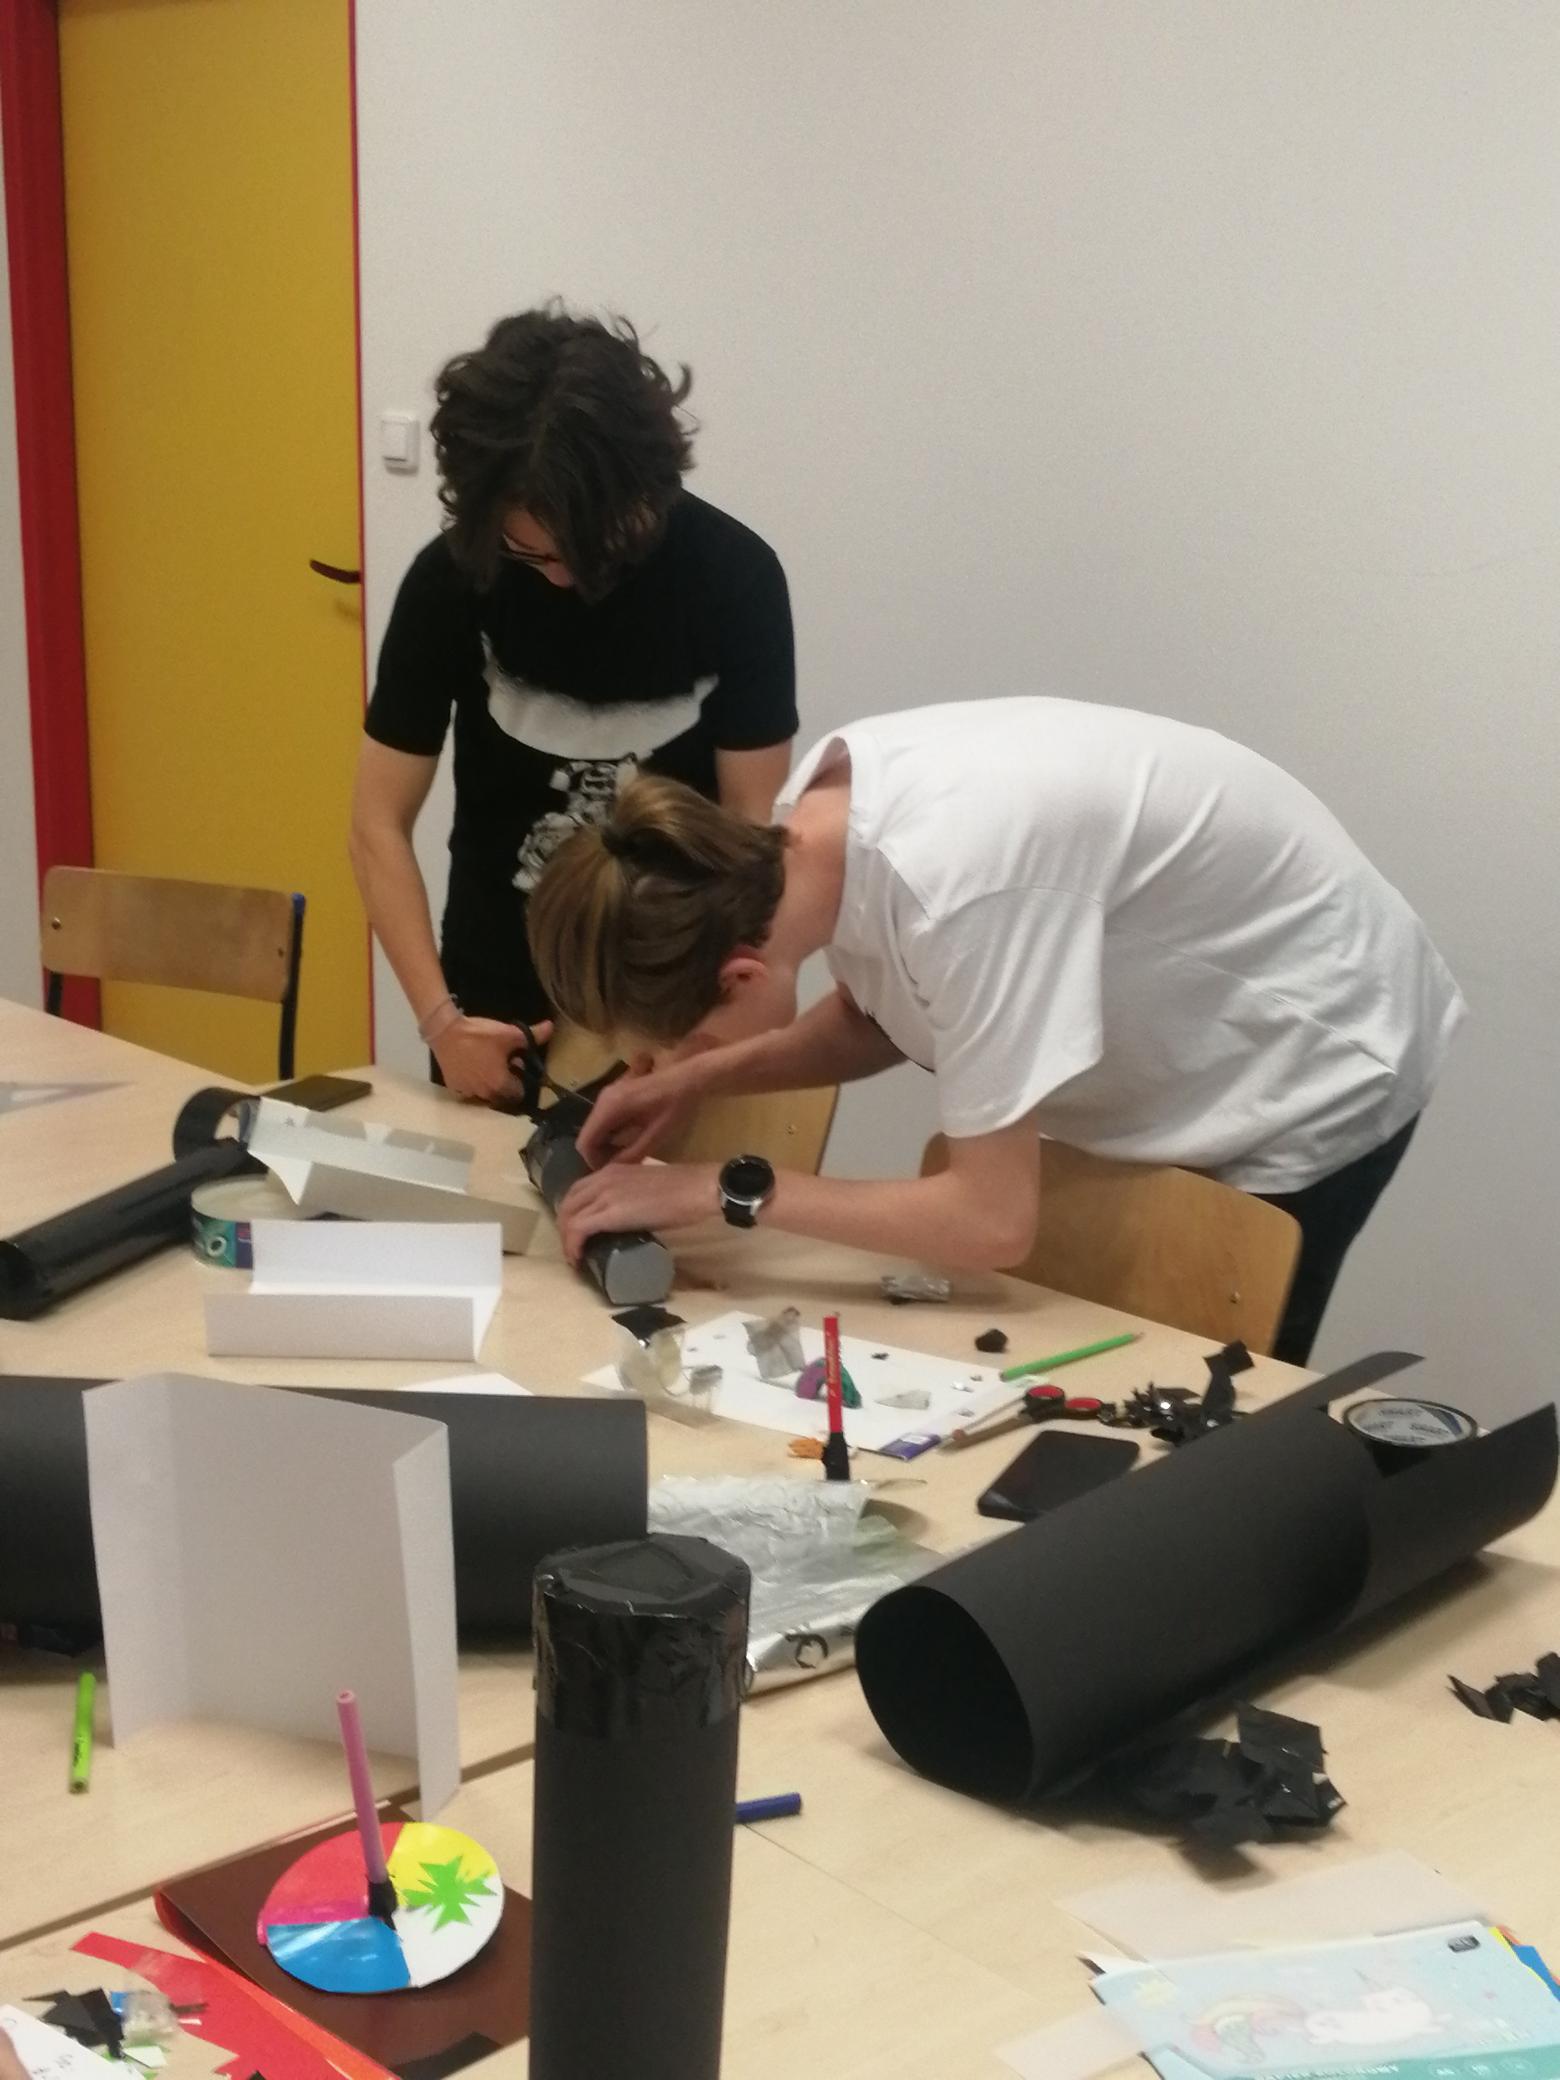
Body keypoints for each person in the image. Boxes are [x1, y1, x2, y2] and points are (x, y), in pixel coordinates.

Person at [526, 696, 1465, 1365]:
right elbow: (878, 1020)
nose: (676, 1060)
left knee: (1208, 1432)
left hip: (1321, 1047)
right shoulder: (809, 835)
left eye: (686, 1040)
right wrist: (691, 1081)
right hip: (1203, 1019)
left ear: (737, 974)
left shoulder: (957, 887)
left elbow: (991, 1219)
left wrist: (717, 1188)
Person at [350, 304, 797, 1106]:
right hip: (493, 1000)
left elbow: (751, 838)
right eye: (530, 553)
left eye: (590, 552)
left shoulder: (736, 581)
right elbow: (376, 823)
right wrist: (442, 1024)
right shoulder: (451, 580)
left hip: (670, 1001)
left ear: (645, 489)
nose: (560, 578)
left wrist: (702, 1035)